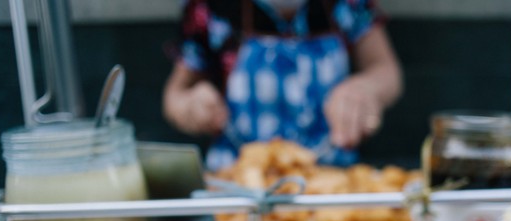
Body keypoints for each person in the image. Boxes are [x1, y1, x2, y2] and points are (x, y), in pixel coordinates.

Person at [162, 0, 403, 171]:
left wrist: (366, 88)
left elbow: (386, 70)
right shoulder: (210, 8)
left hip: (331, 176)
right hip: (238, 182)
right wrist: (190, 106)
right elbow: (175, 95)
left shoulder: (348, 4)